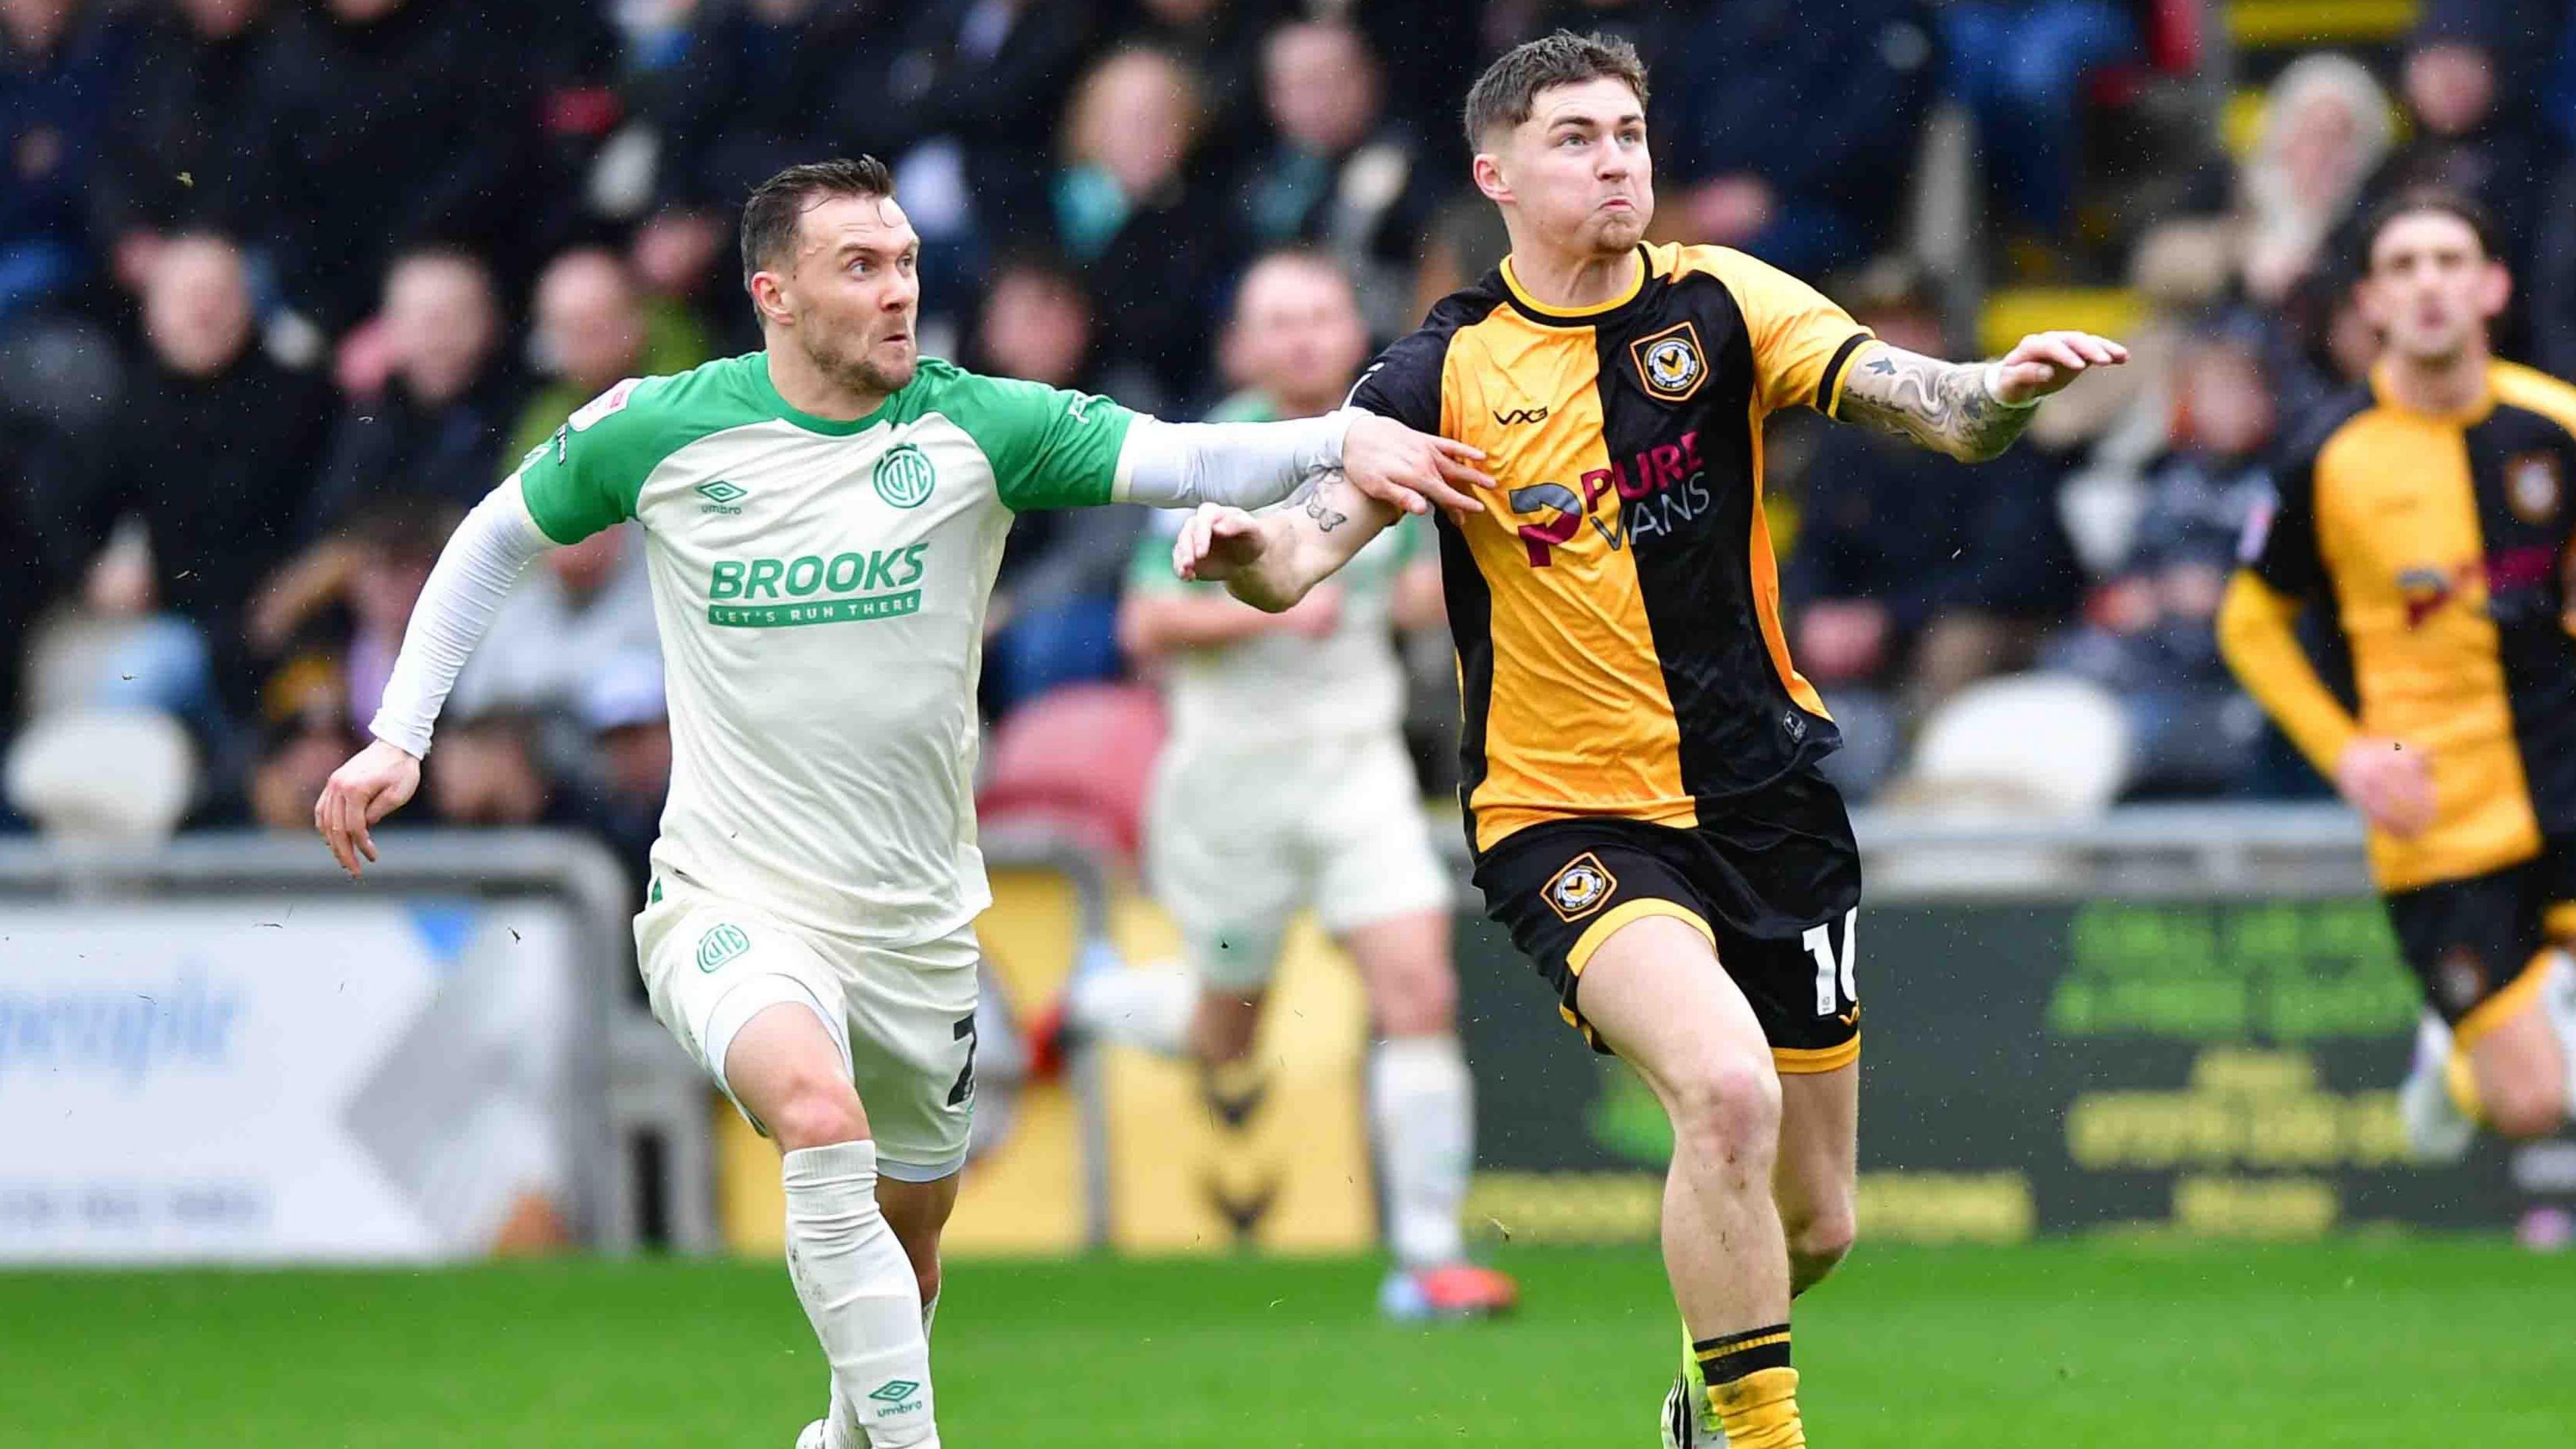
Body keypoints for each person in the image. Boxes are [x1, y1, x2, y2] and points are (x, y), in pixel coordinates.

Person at [309, 156, 1484, 1449]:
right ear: (774, 294)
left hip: (919, 921)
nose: (897, 293)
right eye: (859, 268)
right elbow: (495, 535)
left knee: (911, 1260)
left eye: (907, 265)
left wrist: (1340, 438)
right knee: (819, 1116)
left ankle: (843, 1436)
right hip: (732, 894)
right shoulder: (663, 425)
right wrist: (397, 736)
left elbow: (1188, 454)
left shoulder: (973, 424)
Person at [1167, 34, 2123, 1448]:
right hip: (1568, 816)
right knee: (1723, 1093)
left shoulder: (1722, 301)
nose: (1616, 159)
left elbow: (1927, 402)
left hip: (1767, 798)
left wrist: (1998, 390)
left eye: (1628, 132)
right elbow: (1302, 556)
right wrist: (1243, 549)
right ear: (1495, 173)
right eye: (1576, 138)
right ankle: (1758, 1436)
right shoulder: (1444, 372)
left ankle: (1698, 1395)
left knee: (1816, 1226)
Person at [1077, 250, 1513, 1320]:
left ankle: (1428, 1259)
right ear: (1245, 343)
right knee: (1228, 1040)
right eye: (1281, 321)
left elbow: (1413, 593)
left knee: (1420, 989)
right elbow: (1143, 623)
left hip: (1356, 770)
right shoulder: (1209, 456)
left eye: (1322, 317)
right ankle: (1090, 1000)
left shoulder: (1384, 436)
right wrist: (1254, 600)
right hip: (1231, 789)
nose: (1306, 339)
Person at [2219, 190, 2576, 1167]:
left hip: (2563, 773)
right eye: (2405, 267)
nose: (2431, 285)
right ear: (2370, 301)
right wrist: (2349, 755)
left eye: (2451, 260)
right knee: (2532, 1108)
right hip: (2436, 813)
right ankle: (2455, 1054)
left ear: (2493, 286)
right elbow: (2247, 622)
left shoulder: (2558, 427)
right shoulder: (2325, 457)